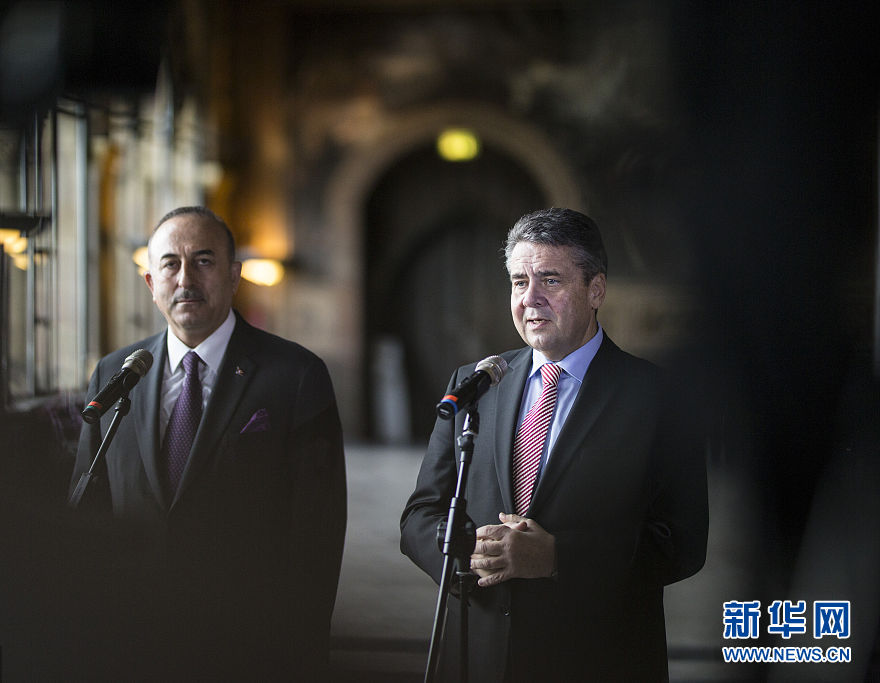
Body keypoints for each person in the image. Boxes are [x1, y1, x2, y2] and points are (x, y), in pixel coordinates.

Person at [400, 208, 708, 682]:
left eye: (550, 280)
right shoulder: (475, 384)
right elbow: (419, 516)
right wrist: (468, 556)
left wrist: (556, 558)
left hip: (598, 659)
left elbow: (683, 543)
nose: (531, 298)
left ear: (596, 290)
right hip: (478, 656)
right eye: (519, 282)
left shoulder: (661, 399)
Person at [70, 206, 346, 681]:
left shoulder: (296, 375)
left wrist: (301, 651)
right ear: (150, 282)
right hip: (134, 638)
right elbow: (87, 509)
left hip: (248, 641)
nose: (186, 279)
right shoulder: (116, 374)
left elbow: (317, 532)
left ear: (234, 275)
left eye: (203, 261)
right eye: (170, 264)